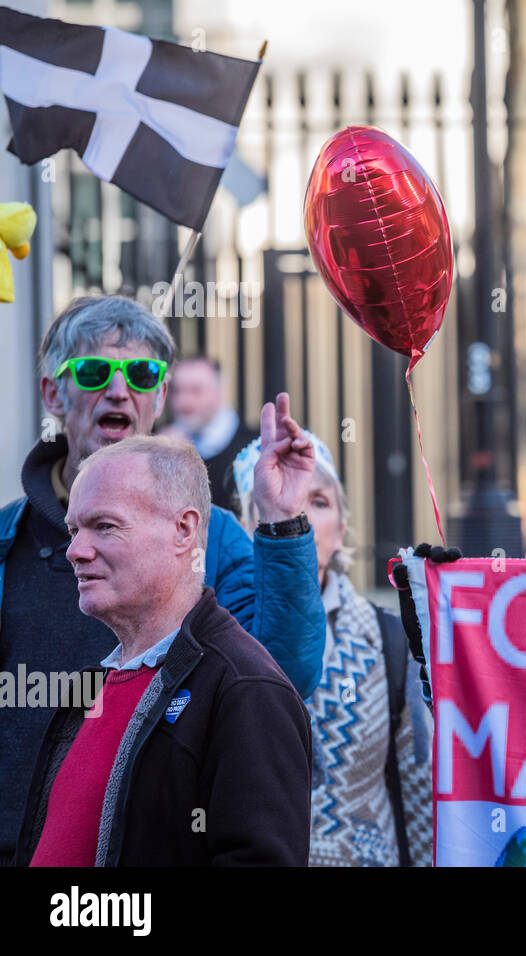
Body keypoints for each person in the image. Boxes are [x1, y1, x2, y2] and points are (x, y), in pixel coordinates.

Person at [0, 294, 325, 867]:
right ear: (54, 394)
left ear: (161, 396)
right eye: (96, 371)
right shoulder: (7, 538)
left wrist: (281, 523)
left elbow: (283, 674)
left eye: (143, 372)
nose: (120, 390)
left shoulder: (213, 536)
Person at [16, 437, 311, 866]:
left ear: (183, 530)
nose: (76, 551)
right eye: (73, 530)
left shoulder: (245, 688)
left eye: (105, 526)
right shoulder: (98, 685)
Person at [231, 433, 433, 867]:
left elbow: (421, 788)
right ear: (247, 524)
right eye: (278, 502)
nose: (297, 514)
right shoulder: (217, 636)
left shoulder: (389, 640)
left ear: (341, 529)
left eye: (317, 502)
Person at [163, 355, 258, 512]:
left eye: (196, 391)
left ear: (220, 392)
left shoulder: (253, 447)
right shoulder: (158, 442)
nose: (184, 402)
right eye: (177, 391)